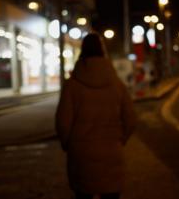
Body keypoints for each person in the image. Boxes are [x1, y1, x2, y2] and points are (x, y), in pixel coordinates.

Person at [55, 32, 136, 199]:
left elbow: (63, 123)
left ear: (82, 51)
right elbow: (131, 119)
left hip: (81, 155)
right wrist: (120, 140)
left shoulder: (72, 86)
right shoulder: (117, 85)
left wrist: (68, 144)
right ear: (102, 51)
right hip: (111, 153)